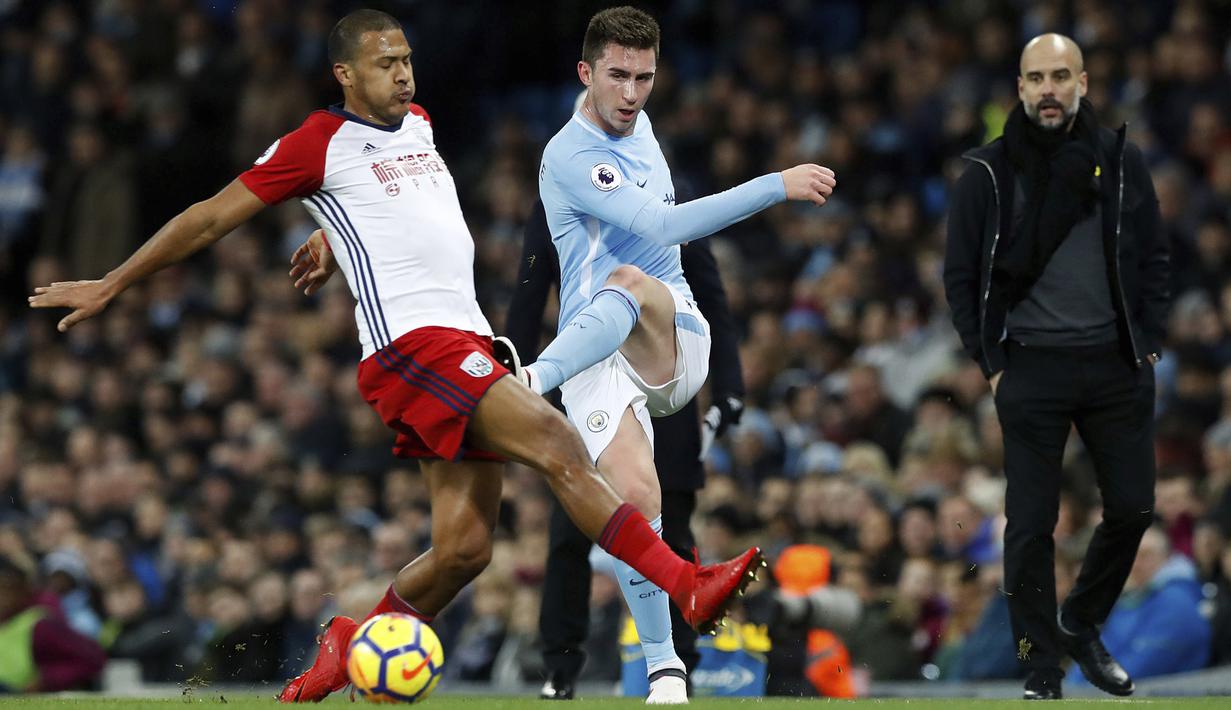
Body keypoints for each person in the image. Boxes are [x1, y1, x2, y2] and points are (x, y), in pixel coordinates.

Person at [27, 9, 765, 704]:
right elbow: (210, 216)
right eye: (385, 64)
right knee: (556, 440)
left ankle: (349, 644)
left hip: (469, 340)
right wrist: (114, 281)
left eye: (407, 59)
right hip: (413, 347)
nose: (404, 74)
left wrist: (331, 240)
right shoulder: (315, 142)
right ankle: (685, 585)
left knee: (466, 550)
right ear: (346, 74)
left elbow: (393, 214)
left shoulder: (419, 123)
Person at [499, 6, 835, 700]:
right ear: (585, 74)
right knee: (636, 500)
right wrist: (778, 183)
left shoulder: (639, 127)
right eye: (616, 77)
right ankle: (664, 670)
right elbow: (655, 221)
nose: (630, 94)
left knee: (627, 279)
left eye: (643, 78)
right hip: (596, 355)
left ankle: (531, 378)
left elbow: (667, 236)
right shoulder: (569, 154)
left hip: (669, 335)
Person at [943, 33, 1171, 700]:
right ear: (1018, 87)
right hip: (1030, 368)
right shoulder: (986, 173)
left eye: (1059, 76)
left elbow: (1154, 257)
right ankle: (1037, 664)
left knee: (1132, 509)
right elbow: (960, 279)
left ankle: (1079, 621)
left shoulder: (1121, 162)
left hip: (1114, 365)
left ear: (1083, 83)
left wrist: (1148, 342)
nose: (1048, 89)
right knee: (1029, 527)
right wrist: (990, 365)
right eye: (1035, 77)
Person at [505, 198, 745, 701]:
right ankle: (561, 667)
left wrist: (729, 387)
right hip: (586, 375)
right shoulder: (554, 203)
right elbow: (529, 292)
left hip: (662, 378)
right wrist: (512, 384)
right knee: (572, 529)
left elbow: (708, 294)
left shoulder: (661, 197)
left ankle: (681, 665)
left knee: (671, 521)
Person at [0, 556, 106, 692]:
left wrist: (46, 680)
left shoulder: (40, 625)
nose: (2, 597)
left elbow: (93, 658)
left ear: (23, 590)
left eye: (5, 589)